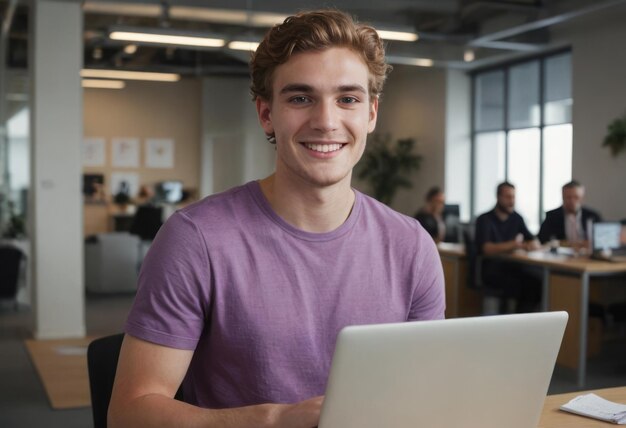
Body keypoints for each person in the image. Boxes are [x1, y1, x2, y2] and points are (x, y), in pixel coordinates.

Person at [108, 10, 445, 428]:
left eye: (348, 99)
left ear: (371, 113)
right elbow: (129, 413)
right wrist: (275, 420)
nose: (326, 121)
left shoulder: (412, 246)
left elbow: (423, 394)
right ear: (267, 113)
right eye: (300, 98)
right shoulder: (196, 240)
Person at [474, 182, 542, 313]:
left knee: (537, 281)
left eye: (513, 197)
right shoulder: (484, 219)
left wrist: (533, 243)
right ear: (498, 197)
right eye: (507, 197)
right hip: (492, 270)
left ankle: (522, 325)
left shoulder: (517, 218)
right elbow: (486, 248)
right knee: (520, 283)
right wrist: (514, 244)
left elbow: (532, 239)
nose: (511, 201)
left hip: (514, 268)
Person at [538, 180, 602, 246]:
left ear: (582, 198)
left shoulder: (593, 216)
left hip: (587, 255)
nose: (572, 201)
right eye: (568, 197)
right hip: (561, 255)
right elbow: (542, 240)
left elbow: (601, 239)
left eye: (576, 197)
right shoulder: (552, 216)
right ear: (562, 197)